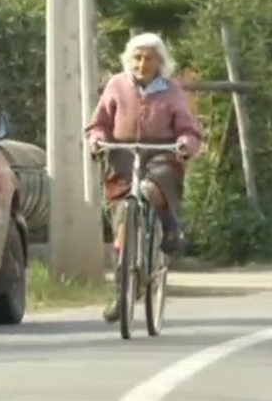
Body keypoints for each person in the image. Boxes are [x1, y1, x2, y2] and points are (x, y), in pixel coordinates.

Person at [85, 32, 203, 323]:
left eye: (148, 58)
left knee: (153, 185)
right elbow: (98, 123)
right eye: (137, 57)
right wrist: (97, 140)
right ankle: (122, 289)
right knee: (124, 214)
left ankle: (170, 224)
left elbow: (188, 128)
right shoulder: (116, 85)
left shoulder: (171, 90)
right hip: (123, 155)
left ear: (159, 62)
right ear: (129, 60)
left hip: (161, 152)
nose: (141, 63)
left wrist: (186, 143)